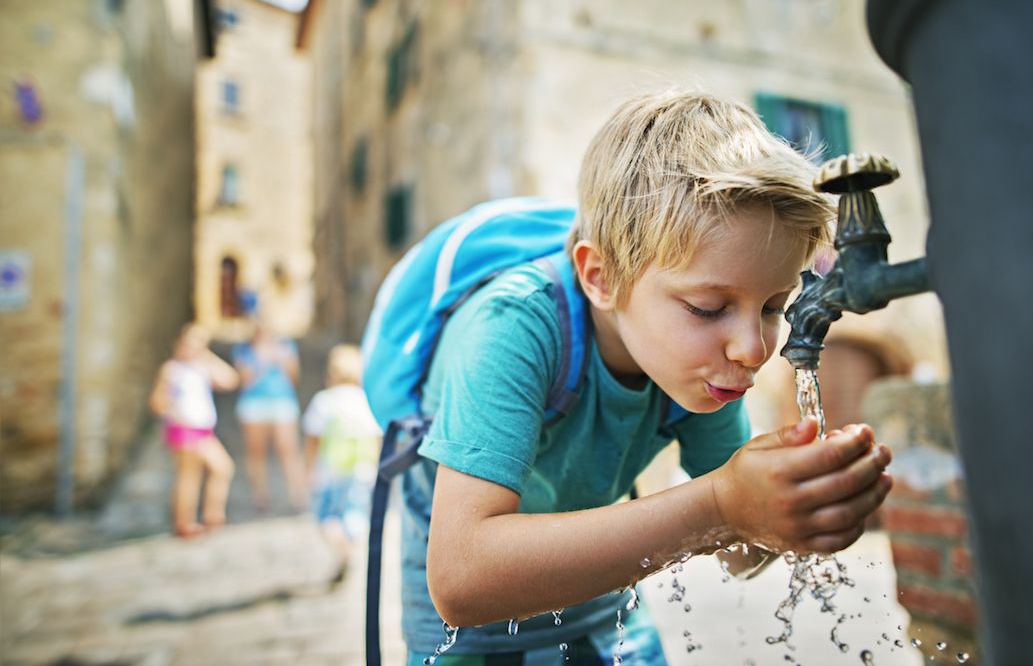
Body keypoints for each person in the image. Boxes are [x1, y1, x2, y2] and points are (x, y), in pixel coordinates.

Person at [399, 91, 895, 664]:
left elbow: (741, 557)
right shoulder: (514, 328)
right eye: (708, 308)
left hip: (599, 595)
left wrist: (794, 507)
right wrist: (720, 504)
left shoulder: (704, 369)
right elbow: (463, 579)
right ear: (602, 278)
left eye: (772, 306)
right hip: (471, 631)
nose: (754, 348)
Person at [149, 323, 240, 538]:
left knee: (221, 469)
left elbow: (231, 380)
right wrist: (176, 415)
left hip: (203, 430)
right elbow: (156, 402)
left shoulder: (201, 367)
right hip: (186, 430)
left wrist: (207, 357)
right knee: (190, 476)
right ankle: (185, 523)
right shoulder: (172, 369)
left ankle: (211, 516)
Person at [302, 344, 383, 572]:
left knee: (327, 516)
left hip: (332, 470)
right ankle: (350, 547)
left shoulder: (324, 400)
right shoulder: (366, 400)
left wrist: (309, 468)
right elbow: (378, 436)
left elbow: (313, 439)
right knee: (355, 512)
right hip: (363, 469)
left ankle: (344, 552)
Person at [232, 318, 306, 511]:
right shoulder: (244, 350)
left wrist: (281, 360)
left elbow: (294, 377)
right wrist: (263, 362)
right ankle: (260, 496)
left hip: (282, 402)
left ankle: (297, 495)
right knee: (256, 452)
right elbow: (244, 380)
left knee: (288, 450)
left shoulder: (286, 347)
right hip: (253, 404)